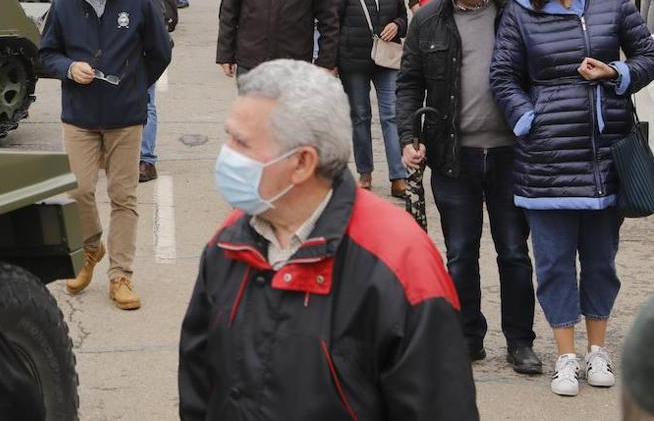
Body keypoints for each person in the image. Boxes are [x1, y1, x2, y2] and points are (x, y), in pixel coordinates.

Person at [177, 60, 477, 420]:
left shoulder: (399, 263)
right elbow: (199, 385)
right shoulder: (229, 243)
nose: (226, 154)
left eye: (241, 142)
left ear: (302, 162)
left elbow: (438, 405)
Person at [491, 0, 654, 397]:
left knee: (601, 261)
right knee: (555, 260)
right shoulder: (519, 10)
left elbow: (648, 54)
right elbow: (503, 75)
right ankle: (565, 354)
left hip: (605, 154)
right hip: (545, 159)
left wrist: (616, 71)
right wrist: (528, 118)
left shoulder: (611, 0)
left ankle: (597, 350)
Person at [397, 0, 542, 376]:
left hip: (510, 155)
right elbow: (408, 85)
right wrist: (408, 136)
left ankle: (520, 342)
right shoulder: (427, 19)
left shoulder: (517, 12)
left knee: (514, 251)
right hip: (452, 156)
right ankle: (467, 338)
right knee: (460, 253)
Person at [39, 0, 172, 310]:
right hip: (79, 116)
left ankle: (121, 275)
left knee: (123, 197)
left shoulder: (139, 2)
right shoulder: (63, 5)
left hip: (124, 117)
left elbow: (160, 51)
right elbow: (46, 54)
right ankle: (91, 248)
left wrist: (135, 86)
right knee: (79, 189)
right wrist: (68, 67)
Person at [332, 0, 408, 194]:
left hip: (386, 58)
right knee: (360, 116)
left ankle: (398, 175)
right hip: (353, 59)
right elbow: (332, 24)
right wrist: (331, 61)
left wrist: (397, 26)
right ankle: (365, 172)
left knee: (391, 115)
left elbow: (403, 17)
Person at [104, 0, 167, 183]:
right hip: (114, 50)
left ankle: (146, 160)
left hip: (140, 50)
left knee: (146, 103)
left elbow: (156, 9)